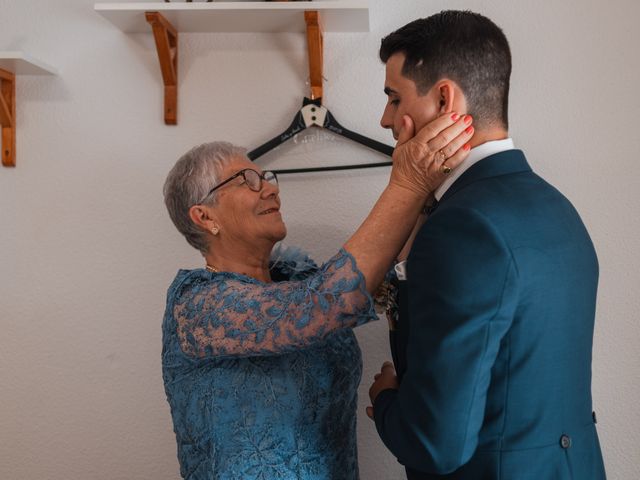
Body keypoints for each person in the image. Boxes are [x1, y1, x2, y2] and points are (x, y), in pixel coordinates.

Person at [161, 114, 474, 480]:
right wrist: (407, 183)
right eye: (247, 180)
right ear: (204, 216)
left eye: (265, 177)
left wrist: (423, 191)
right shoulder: (196, 306)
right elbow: (329, 301)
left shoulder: (300, 279)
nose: (270, 188)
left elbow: (387, 272)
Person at [367, 10, 606, 480]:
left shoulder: (463, 226)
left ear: (443, 98)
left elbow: (438, 444)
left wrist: (386, 400)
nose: (385, 119)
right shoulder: (558, 208)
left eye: (395, 99)